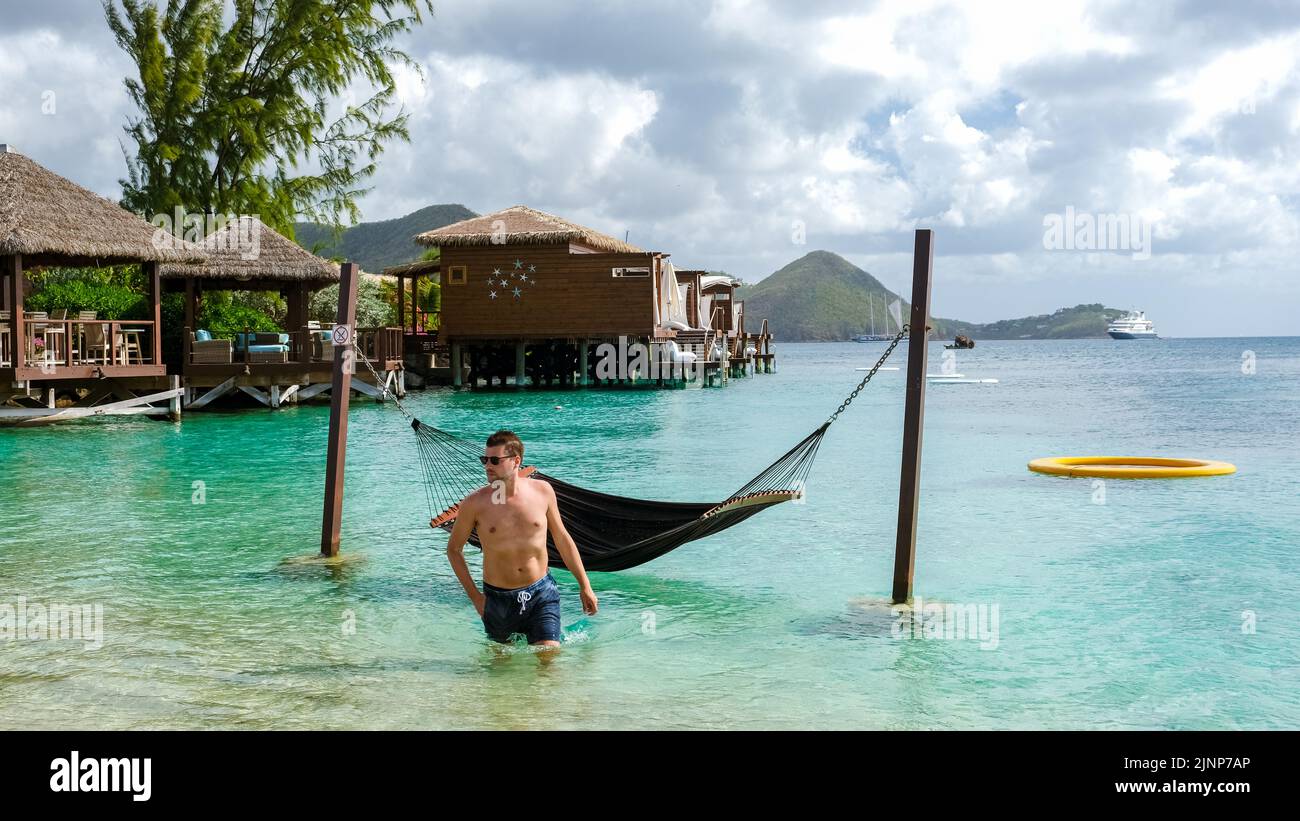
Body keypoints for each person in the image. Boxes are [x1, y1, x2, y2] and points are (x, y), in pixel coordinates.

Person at [445, 430, 598, 647]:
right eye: (485, 459)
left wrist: (585, 585)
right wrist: (476, 598)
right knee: (501, 670)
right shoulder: (475, 504)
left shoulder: (543, 492)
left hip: (541, 593)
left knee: (549, 658)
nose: (487, 465)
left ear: (516, 461)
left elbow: (562, 538)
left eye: (495, 460)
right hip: (498, 600)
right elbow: (453, 550)